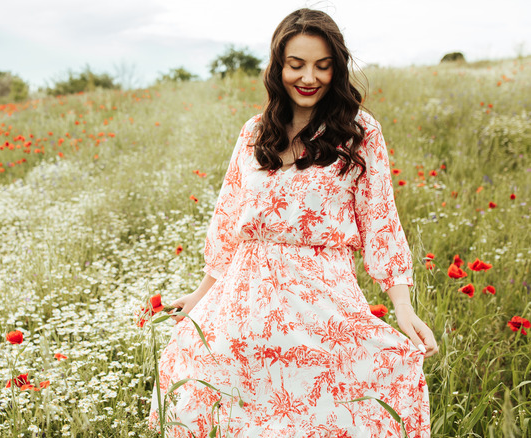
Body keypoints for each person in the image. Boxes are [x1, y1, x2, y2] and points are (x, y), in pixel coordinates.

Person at [149, 8, 438, 438]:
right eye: (296, 64)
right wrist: (199, 294)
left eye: (323, 66)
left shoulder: (359, 132)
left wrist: (402, 305)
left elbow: (380, 220)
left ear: (336, 69)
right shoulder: (254, 132)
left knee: (320, 412)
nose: (309, 77)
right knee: (220, 400)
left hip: (320, 300)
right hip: (242, 303)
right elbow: (229, 218)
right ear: (278, 67)